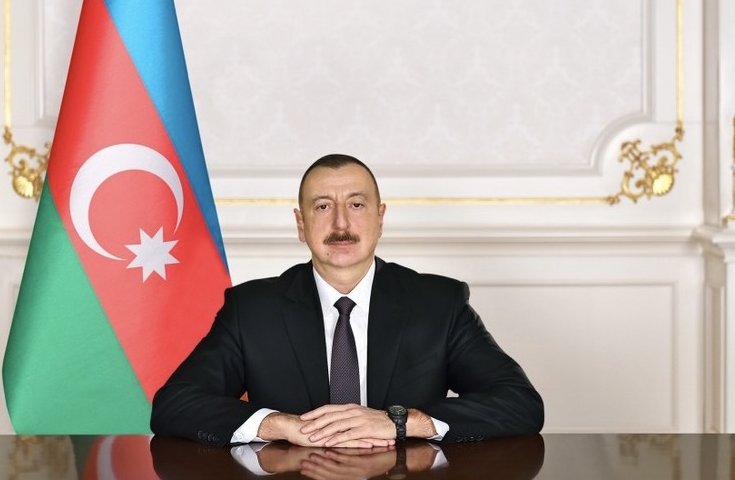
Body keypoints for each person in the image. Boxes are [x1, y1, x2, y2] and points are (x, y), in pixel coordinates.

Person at [151, 154, 544, 448]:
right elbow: (174, 405)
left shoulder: (438, 304)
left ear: (380, 218)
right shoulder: (252, 309)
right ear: (301, 224)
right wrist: (281, 425)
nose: (341, 224)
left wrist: (401, 423)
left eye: (356, 205)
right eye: (323, 207)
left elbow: (520, 403)